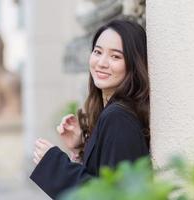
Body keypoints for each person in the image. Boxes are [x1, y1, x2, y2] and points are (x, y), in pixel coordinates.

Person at [30, 19, 150, 199]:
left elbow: (114, 195)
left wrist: (54, 165)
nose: (101, 63)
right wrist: (80, 149)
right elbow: (102, 179)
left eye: (115, 56)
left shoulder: (118, 117)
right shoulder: (112, 113)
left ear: (133, 64)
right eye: (97, 52)